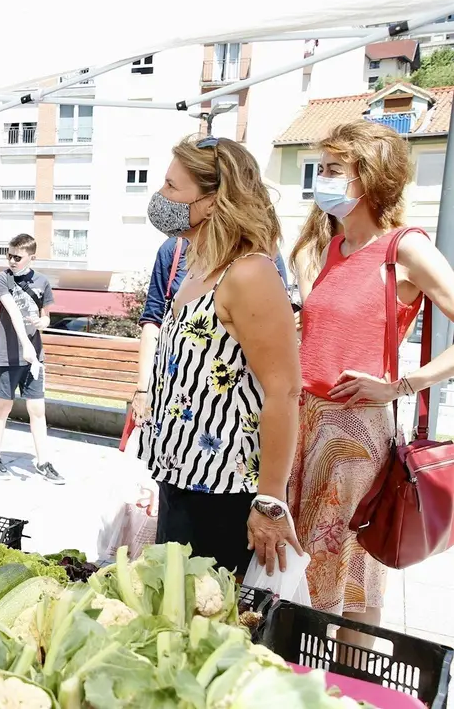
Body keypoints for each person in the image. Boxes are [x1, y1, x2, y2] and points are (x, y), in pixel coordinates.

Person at [288, 120, 454, 634]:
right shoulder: (331, 247)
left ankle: (348, 686)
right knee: (311, 570)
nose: (324, 178)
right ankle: (319, 681)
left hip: (355, 434)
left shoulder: (404, 248)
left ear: (370, 178)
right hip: (307, 425)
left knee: (349, 572)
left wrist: (404, 385)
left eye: (336, 169)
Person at [136, 135, 302, 575]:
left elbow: (284, 392)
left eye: (172, 187)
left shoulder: (249, 274)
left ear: (211, 203)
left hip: (224, 496)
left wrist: (269, 502)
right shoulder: (197, 266)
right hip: (180, 483)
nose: (160, 196)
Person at [133, 239, 290, 424]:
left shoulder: (261, 255)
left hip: (229, 403)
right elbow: (153, 318)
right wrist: (143, 388)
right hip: (169, 393)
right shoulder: (173, 249)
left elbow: (275, 336)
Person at [0, 233, 61, 484]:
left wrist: (44, 322)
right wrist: (27, 346)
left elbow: (47, 316)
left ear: (32, 257)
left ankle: (43, 462)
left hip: (34, 358)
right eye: (9, 254)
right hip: (9, 355)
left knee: (37, 409)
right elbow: (14, 314)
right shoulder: (1, 279)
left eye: (18, 256)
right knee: (3, 409)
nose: (12, 260)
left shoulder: (42, 282)